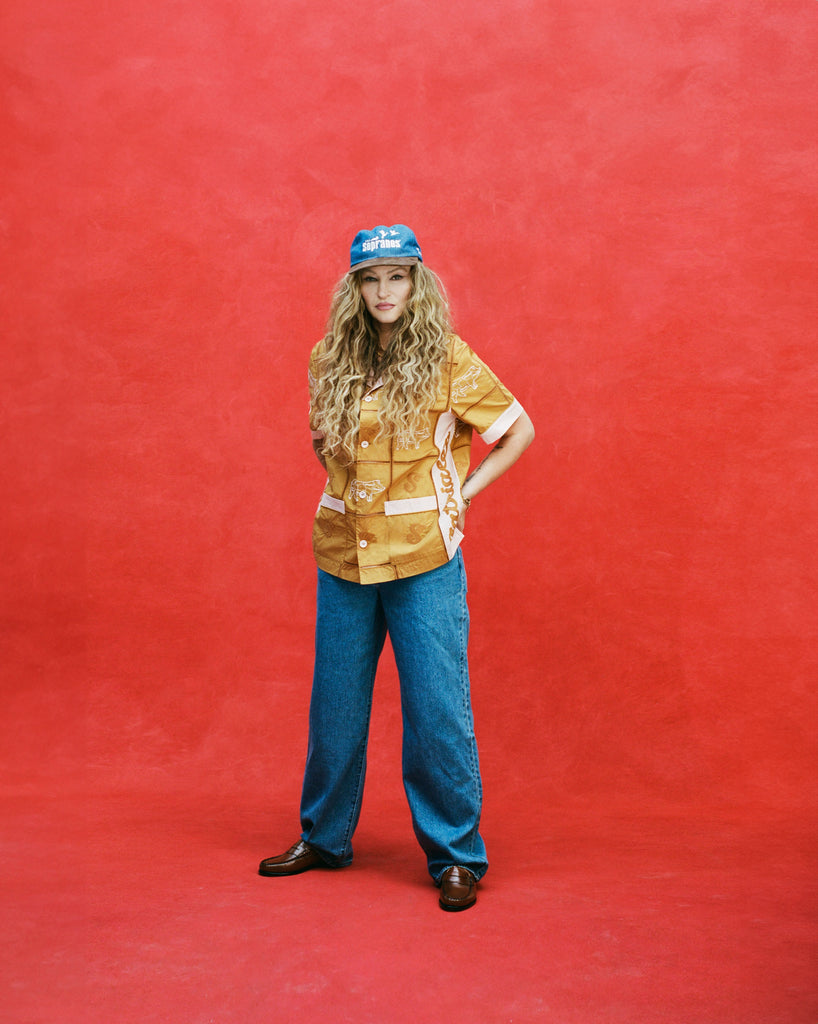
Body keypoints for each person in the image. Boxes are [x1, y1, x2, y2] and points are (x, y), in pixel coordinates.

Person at [259, 224, 534, 911]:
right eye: (371, 279)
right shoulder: (329, 357)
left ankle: (456, 858)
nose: (385, 291)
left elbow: (518, 430)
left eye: (397, 277)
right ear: (355, 288)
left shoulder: (447, 359)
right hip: (343, 552)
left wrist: (458, 496)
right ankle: (323, 837)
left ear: (419, 283)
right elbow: (325, 444)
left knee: (437, 708)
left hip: (424, 558)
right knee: (337, 705)